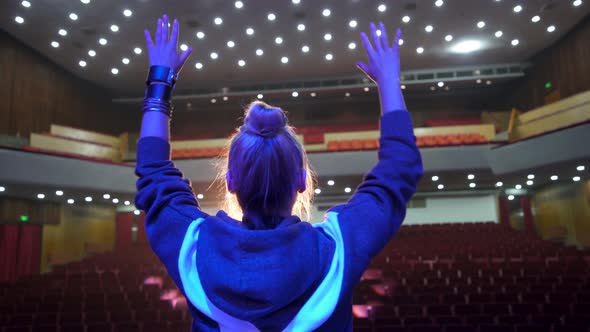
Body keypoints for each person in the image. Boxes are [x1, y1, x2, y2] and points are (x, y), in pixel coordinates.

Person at [135, 14, 423, 332]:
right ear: (301, 181)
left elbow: (152, 169)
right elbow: (399, 168)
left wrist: (160, 80)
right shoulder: (338, 250)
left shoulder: (194, 246)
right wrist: (389, 82)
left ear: (230, 182)